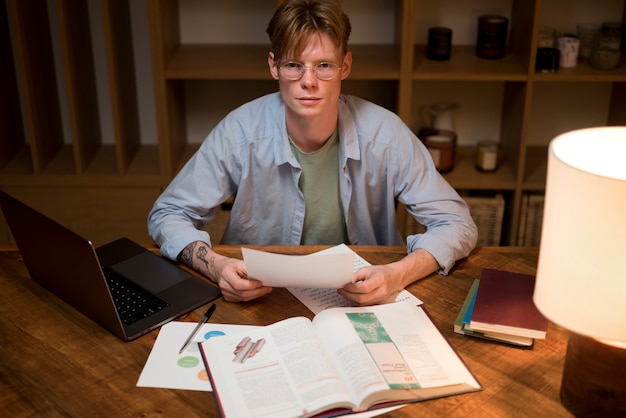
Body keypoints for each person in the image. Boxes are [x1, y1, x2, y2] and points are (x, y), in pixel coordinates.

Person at [148, 0, 477, 305]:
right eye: (294, 65)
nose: (309, 82)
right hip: (258, 296)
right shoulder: (240, 132)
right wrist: (216, 266)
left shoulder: (385, 133)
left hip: (360, 295)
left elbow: (457, 224)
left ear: (345, 66)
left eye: (324, 65)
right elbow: (167, 214)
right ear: (274, 66)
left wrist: (395, 274)